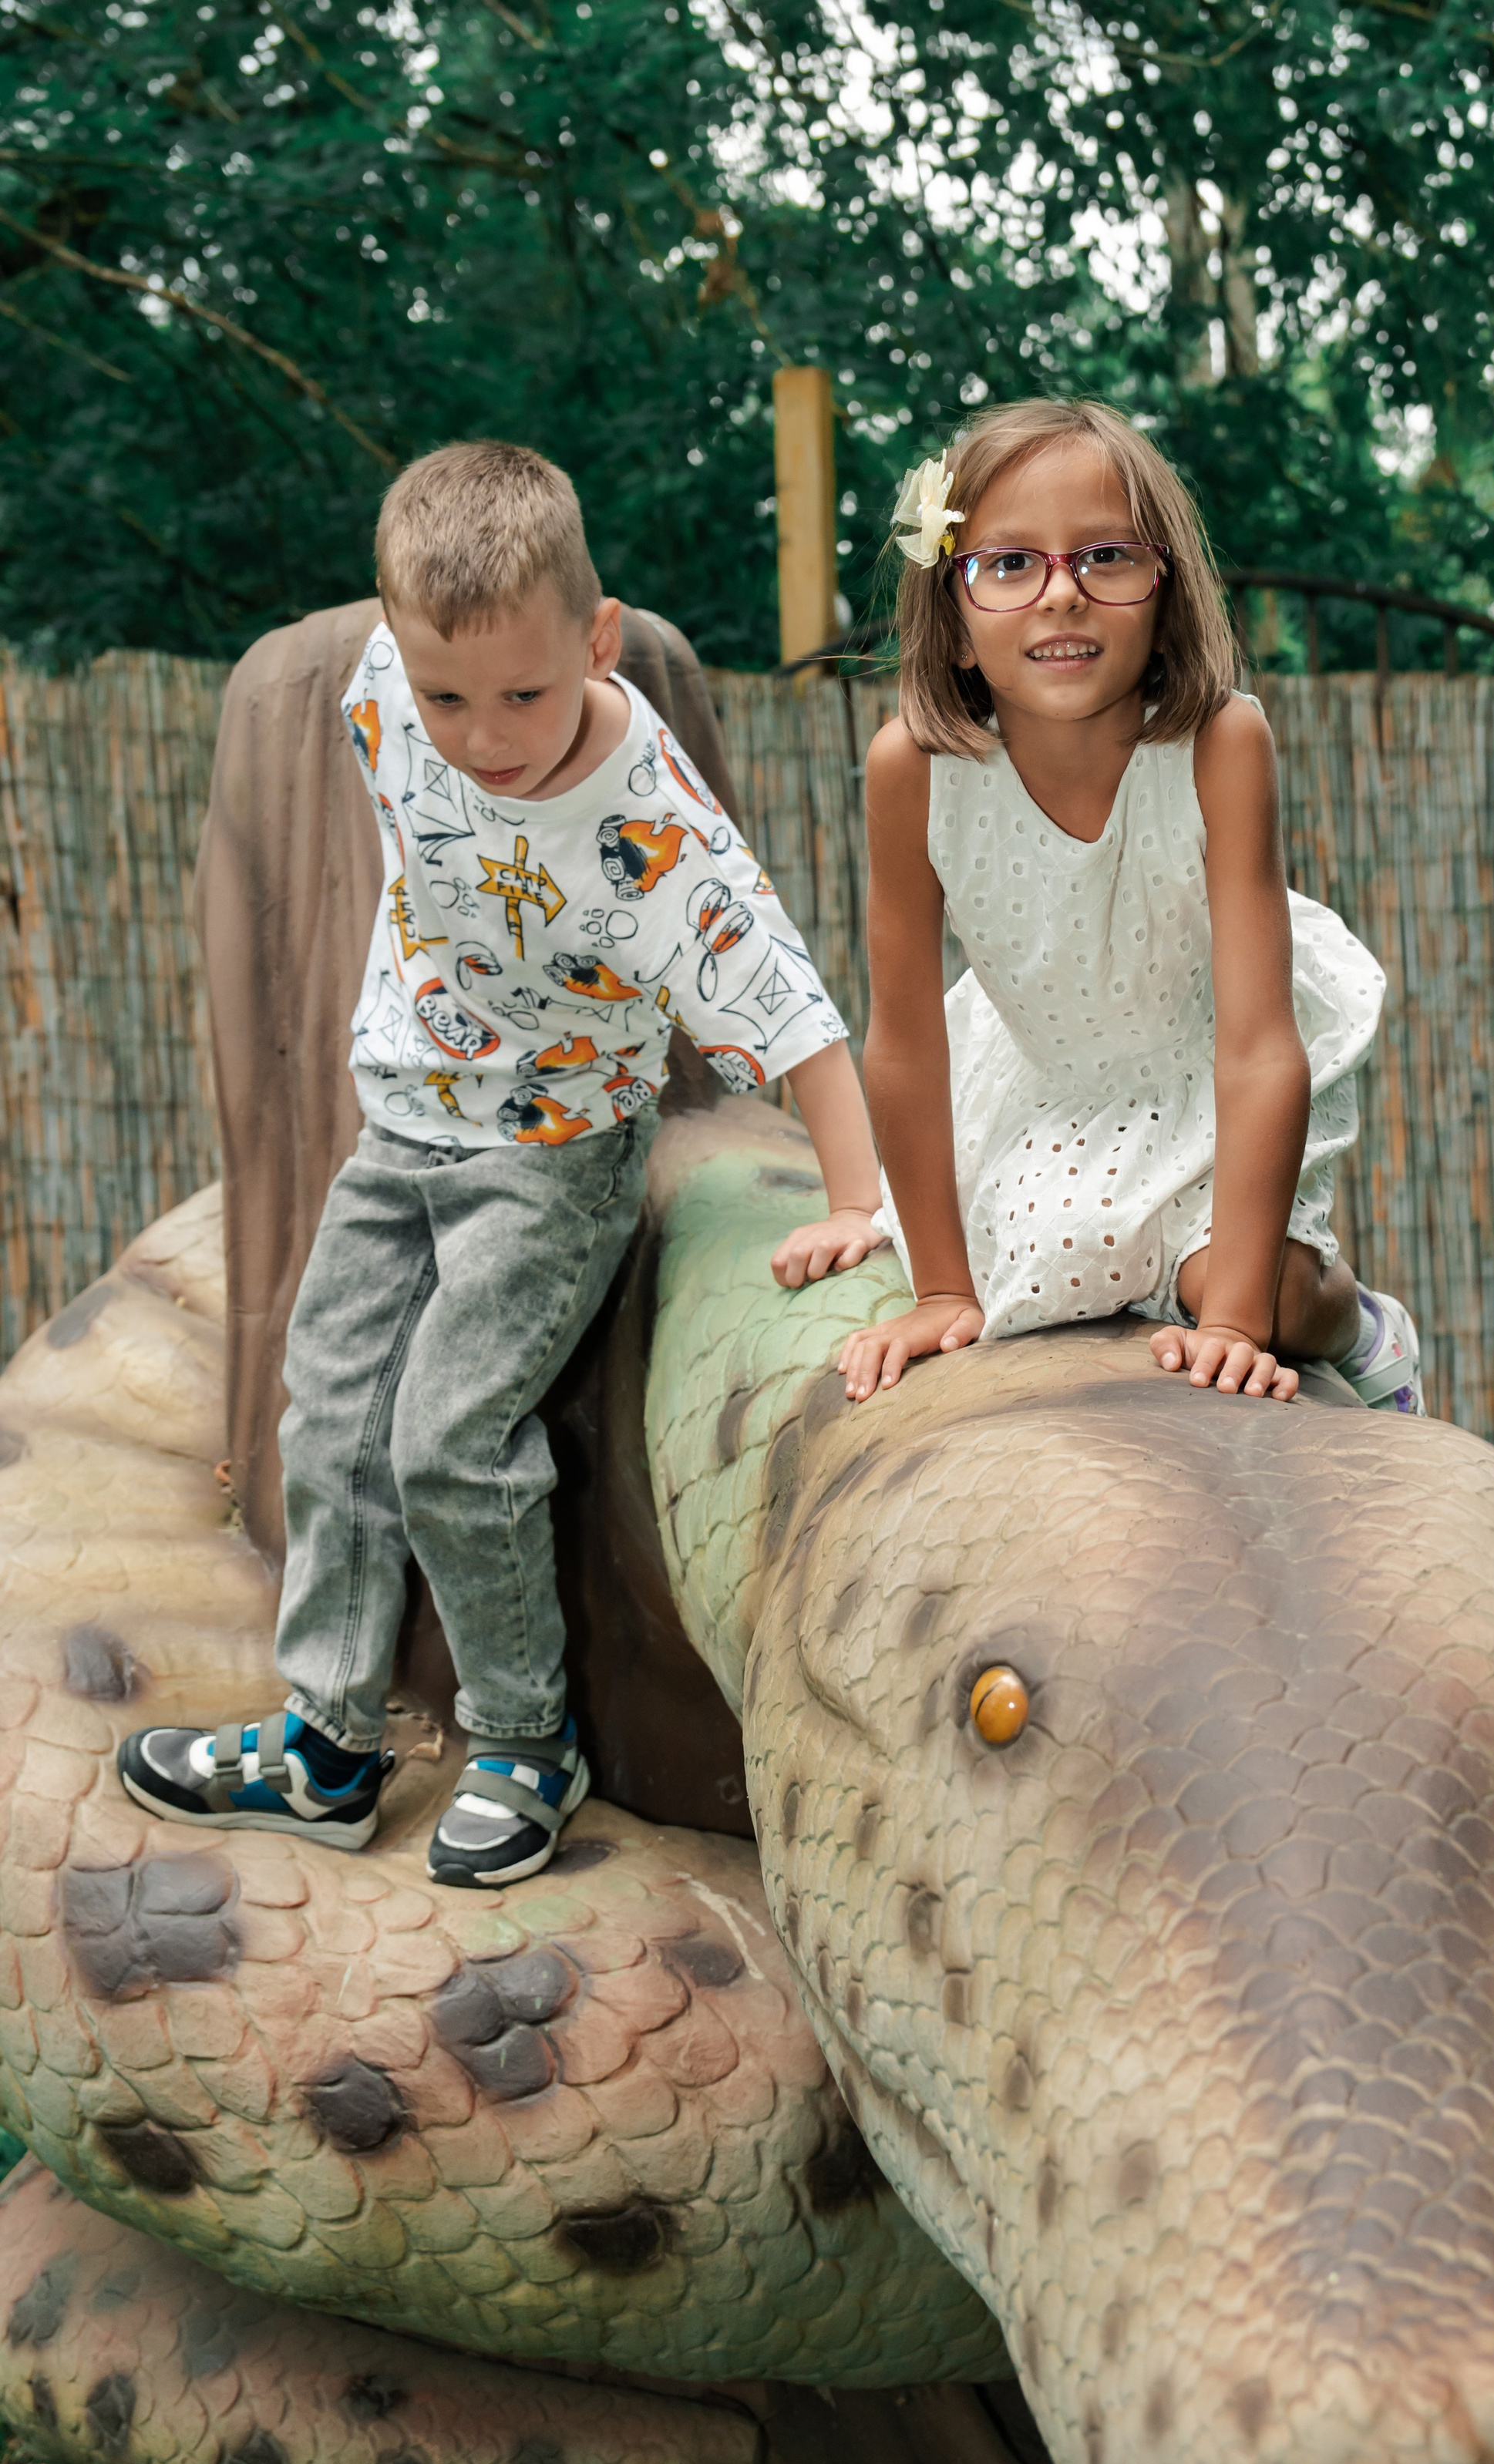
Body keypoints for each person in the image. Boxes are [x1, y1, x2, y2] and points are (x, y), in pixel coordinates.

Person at [119, 441, 883, 1884]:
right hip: (402, 1118)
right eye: (447, 694)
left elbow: (784, 1000)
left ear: (600, 644)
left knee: (448, 1437)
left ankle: (525, 1741)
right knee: (331, 1410)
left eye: (524, 694)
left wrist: (856, 1197)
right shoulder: (381, 697)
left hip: (550, 1154)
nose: (481, 734)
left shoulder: (648, 831)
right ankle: (328, 1743)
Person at [836, 398, 1422, 1415]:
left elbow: (1257, 1045)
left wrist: (1236, 1325)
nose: (1062, 595)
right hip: (1046, 1071)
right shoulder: (913, 773)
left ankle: (1365, 1329)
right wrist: (938, 1287)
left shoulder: (1220, 745)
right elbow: (904, 1045)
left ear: (1164, 594)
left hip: (1212, 1055)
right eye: (1010, 564)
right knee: (1042, 1270)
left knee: (1258, 1291)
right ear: (956, 621)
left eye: (1105, 556)